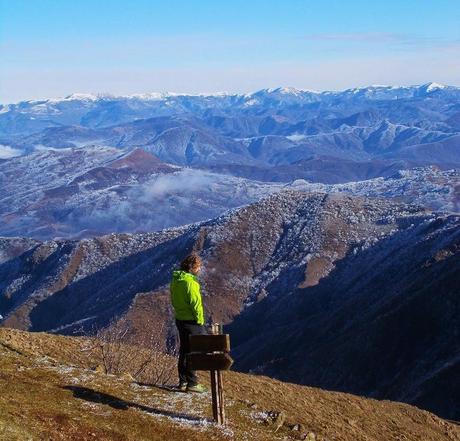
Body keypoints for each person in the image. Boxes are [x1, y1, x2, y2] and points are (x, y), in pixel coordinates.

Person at [170, 253, 207, 393]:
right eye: (198, 267)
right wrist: (200, 321)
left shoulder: (176, 280)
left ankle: (183, 381)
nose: (199, 270)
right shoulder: (191, 283)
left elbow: (173, 299)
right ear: (193, 267)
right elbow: (196, 305)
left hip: (180, 319)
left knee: (184, 350)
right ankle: (192, 383)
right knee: (193, 351)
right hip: (192, 321)